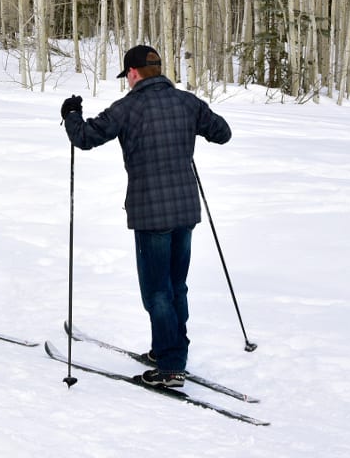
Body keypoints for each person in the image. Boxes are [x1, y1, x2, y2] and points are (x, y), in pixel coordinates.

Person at [60, 45, 231, 388]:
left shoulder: (128, 107)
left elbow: (85, 137)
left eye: (128, 76)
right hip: (185, 210)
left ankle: (170, 365)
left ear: (134, 73)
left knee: (156, 292)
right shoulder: (187, 102)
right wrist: (191, 130)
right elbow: (222, 133)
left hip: (151, 213)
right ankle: (167, 349)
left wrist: (71, 113)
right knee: (175, 285)